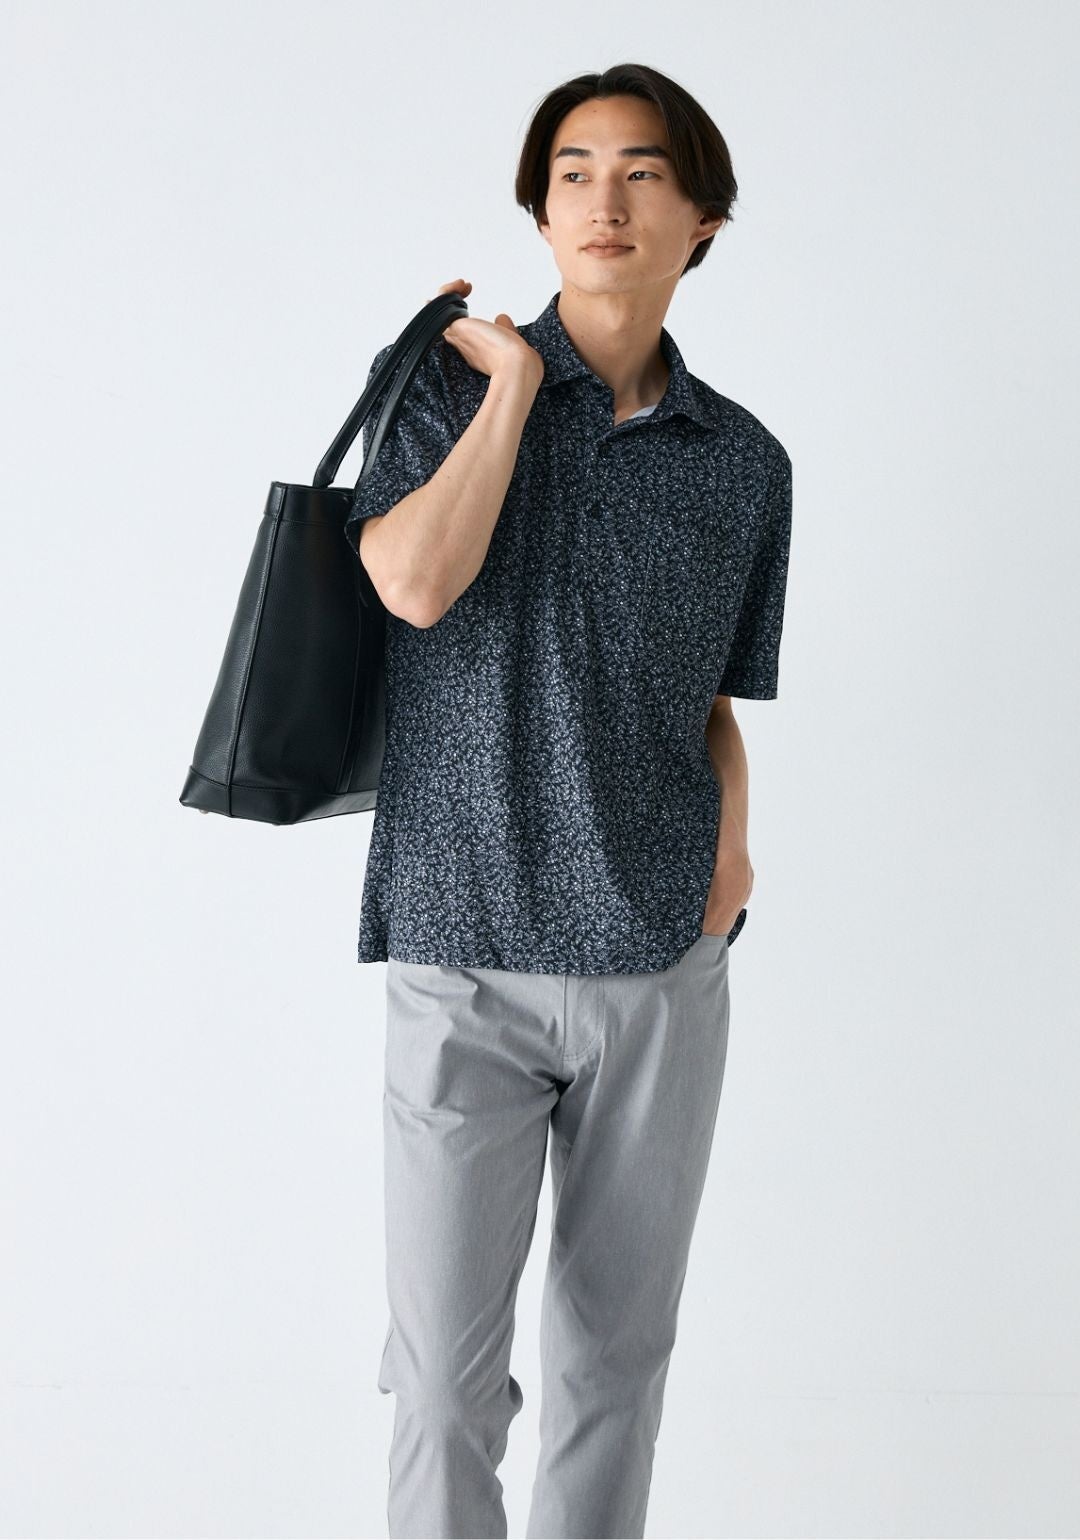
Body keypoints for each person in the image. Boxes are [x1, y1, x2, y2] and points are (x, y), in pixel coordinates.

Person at [345, 61, 793, 1540]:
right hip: (461, 946)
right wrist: (515, 392)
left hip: (659, 962)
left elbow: (711, 701)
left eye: (644, 172)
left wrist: (729, 860)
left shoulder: (744, 463)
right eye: (576, 173)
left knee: (618, 1365)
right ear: (539, 211)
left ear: (702, 218)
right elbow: (413, 584)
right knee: (443, 1385)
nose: (607, 200)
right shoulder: (446, 385)